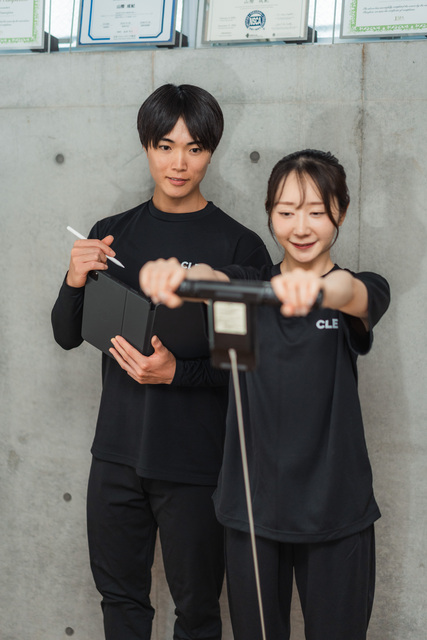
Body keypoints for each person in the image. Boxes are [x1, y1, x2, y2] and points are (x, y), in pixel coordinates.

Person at [138, 149, 390, 640]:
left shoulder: (360, 289)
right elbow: (213, 280)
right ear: (270, 213)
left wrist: (320, 291)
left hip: (337, 508)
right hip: (252, 510)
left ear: (340, 211)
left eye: (316, 212)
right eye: (286, 211)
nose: (301, 226)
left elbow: (351, 292)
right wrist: (180, 278)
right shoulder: (247, 287)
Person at [51, 83, 271, 640]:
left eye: (195, 148)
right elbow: (66, 335)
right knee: (120, 603)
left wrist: (177, 373)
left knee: (197, 613)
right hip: (115, 458)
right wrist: (74, 277)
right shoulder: (112, 235)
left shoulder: (238, 248)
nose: (179, 163)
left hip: (195, 465)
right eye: (165, 146)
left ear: (211, 152)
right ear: (146, 146)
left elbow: (243, 364)